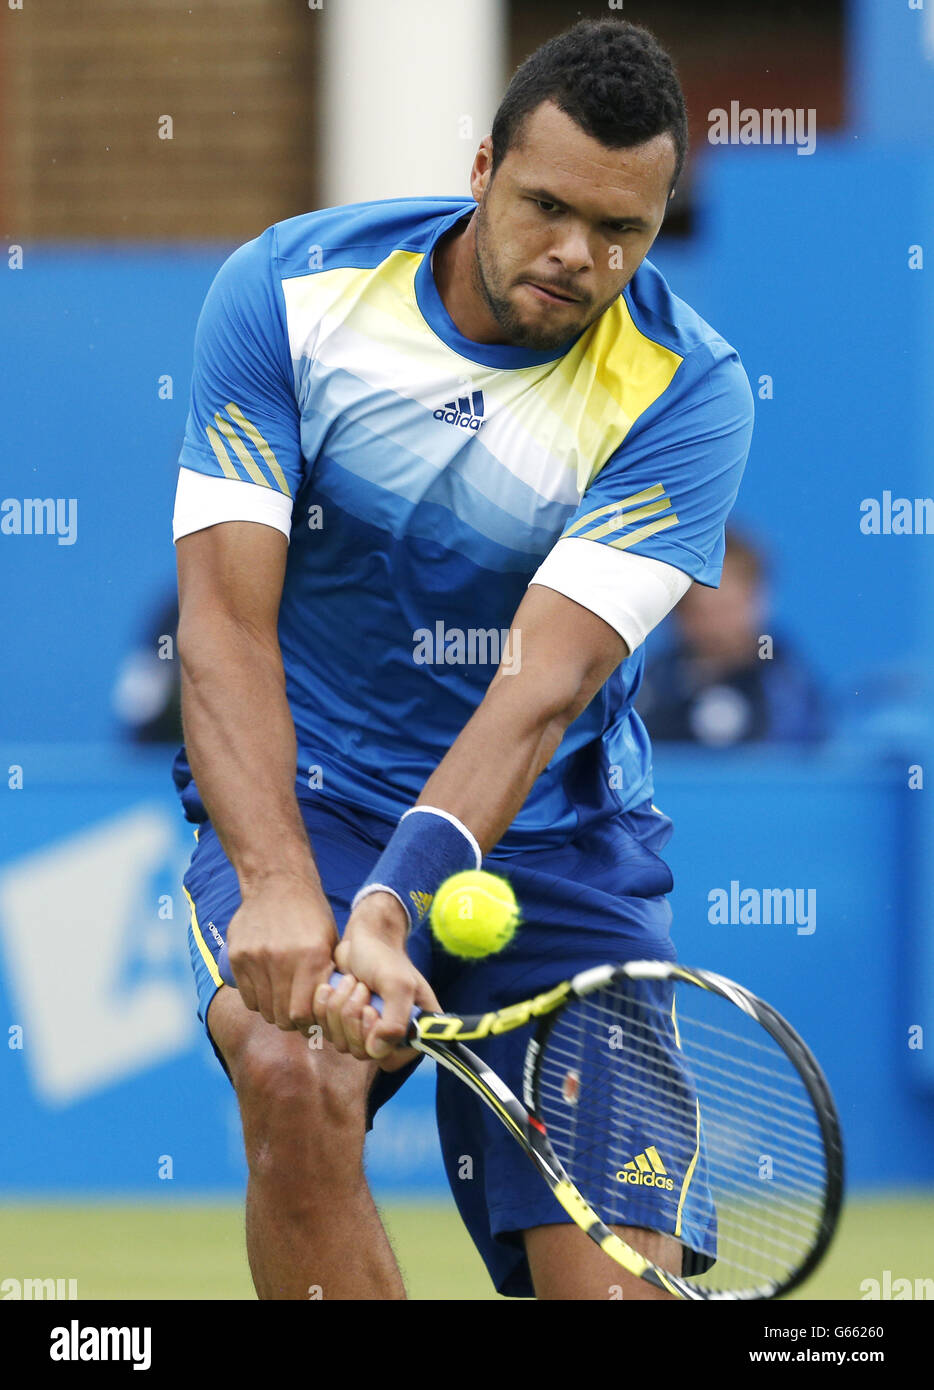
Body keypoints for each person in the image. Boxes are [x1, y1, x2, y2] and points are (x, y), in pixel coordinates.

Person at [173, 18, 753, 1300]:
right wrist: (280, 883)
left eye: (623, 232)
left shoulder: (686, 391)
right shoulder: (287, 291)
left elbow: (541, 686)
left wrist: (399, 899)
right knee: (287, 1068)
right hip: (313, 800)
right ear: (481, 165)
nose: (577, 256)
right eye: (547, 205)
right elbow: (220, 619)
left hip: (554, 843)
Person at [636, 529, 825, 745]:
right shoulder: (653, 680)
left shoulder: (785, 685)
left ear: (758, 601)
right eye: (699, 611)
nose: (714, 625)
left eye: (726, 608)